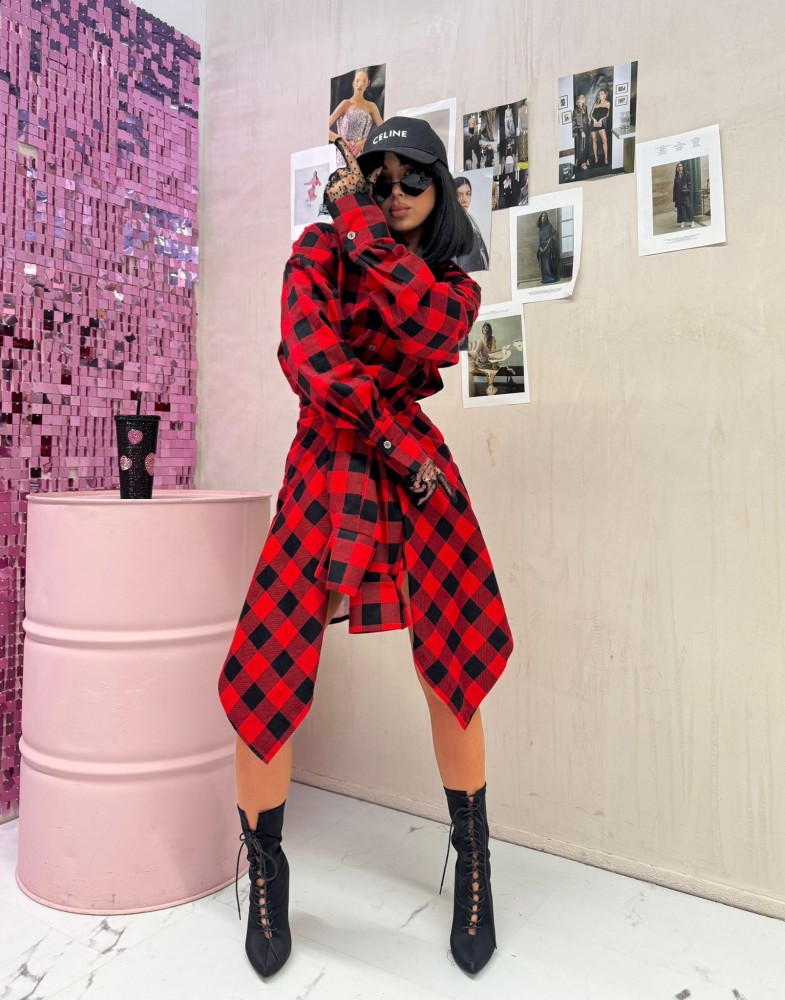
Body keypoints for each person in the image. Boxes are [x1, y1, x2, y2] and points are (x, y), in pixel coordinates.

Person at [219, 117, 514, 981]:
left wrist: (359, 225)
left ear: (440, 188)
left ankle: (473, 862)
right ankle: (265, 871)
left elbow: (429, 330)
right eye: (375, 179)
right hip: (338, 460)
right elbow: (310, 364)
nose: (391, 193)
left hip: (416, 472)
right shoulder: (315, 252)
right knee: (269, 665)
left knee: (452, 660)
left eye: (410, 178)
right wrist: (388, 437)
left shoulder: (451, 285)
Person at [328, 67, 383, 167]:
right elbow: (324, 131)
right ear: (353, 83)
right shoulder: (345, 104)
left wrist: (365, 142)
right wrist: (340, 139)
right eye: (357, 81)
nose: (360, 84)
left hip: (364, 153)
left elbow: (384, 130)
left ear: (368, 83)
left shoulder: (371, 106)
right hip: (343, 154)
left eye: (363, 81)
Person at [453, 176, 489, 272]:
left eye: (468, 194)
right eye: (458, 195)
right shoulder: (446, 230)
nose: (464, 200)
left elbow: (485, 265)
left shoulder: (475, 233)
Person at [590, 88, 611, 166]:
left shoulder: (608, 103)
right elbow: (590, 114)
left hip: (600, 123)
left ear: (605, 95)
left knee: (605, 140)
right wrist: (594, 120)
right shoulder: (596, 103)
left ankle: (606, 158)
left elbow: (607, 114)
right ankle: (596, 157)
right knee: (594, 140)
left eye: (602, 93)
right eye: (599, 94)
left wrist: (602, 119)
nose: (600, 95)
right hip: (594, 123)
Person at [536, 211, 559, 284]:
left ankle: (551, 278)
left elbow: (551, 237)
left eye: (545, 216)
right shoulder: (539, 230)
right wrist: (540, 249)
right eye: (543, 216)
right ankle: (545, 279)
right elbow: (538, 241)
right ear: (540, 218)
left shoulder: (550, 226)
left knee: (549, 262)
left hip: (548, 247)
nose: (544, 217)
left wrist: (546, 247)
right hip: (542, 248)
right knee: (543, 264)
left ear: (547, 218)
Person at [572, 93, 590, 171]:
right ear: (578, 100)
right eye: (582, 97)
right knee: (582, 146)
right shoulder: (576, 110)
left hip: (587, 128)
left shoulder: (585, 107)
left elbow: (586, 118)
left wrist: (588, 124)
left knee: (587, 145)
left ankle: (586, 159)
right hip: (581, 129)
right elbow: (578, 122)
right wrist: (582, 131)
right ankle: (582, 163)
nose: (584, 98)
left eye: (584, 97)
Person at [673, 162, 695, 228]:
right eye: (678, 167)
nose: (679, 168)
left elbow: (689, 184)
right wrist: (674, 198)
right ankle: (682, 222)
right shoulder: (676, 177)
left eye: (680, 166)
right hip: (678, 196)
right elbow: (674, 188)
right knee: (680, 209)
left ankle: (692, 221)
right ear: (677, 169)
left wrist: (687, 191)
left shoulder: (686, 175)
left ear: (682, 168)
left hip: (685, 194)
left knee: (688, 208)